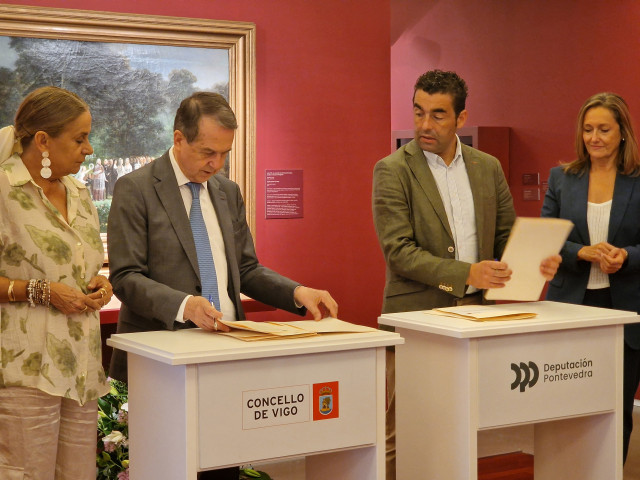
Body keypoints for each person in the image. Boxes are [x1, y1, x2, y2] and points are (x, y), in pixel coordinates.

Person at [107, 91, 337, 480]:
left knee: (223, 469)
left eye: (224, 153)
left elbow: (246, 269)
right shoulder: (137, 188)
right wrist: (186, 306)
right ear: (179, 138)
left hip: (229, 357)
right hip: (163, 362)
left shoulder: (227, 192)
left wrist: (297, 293)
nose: (216, 164)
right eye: (206, 152)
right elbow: (126, 277)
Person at [372, 69, 560, 479]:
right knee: (401, 431)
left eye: (438, 115)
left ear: (461, 117)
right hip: (416, 317)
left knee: (461, 423)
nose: (424, 125)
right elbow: (399, 253)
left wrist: (536, 259)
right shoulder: (391, 170)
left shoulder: (486, 167)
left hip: (478, 317)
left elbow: (508, 236)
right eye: (419, 112)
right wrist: (467, 272)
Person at [0, 86, 114, 479]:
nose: (89, 149)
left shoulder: (80, 193)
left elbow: (80, 267)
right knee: (24, 473)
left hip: (80, 365)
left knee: (78, 473)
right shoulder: (2, 189)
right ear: (43, 140)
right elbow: (43, 281)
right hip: (24, 367)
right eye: (80, 138)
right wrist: (40, 291)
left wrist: (99, 283)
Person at [541, 92, 640, 464]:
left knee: (617, 403)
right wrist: (580, 252)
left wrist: (626, 256)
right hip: (571, 306)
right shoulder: (562, 179)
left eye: (603, 129)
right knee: (568, 399)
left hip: (626, 310)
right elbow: (547, 237)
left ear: (622, 134)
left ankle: (610, 469)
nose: (594, 137)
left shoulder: (638, 180)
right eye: (587, 129)